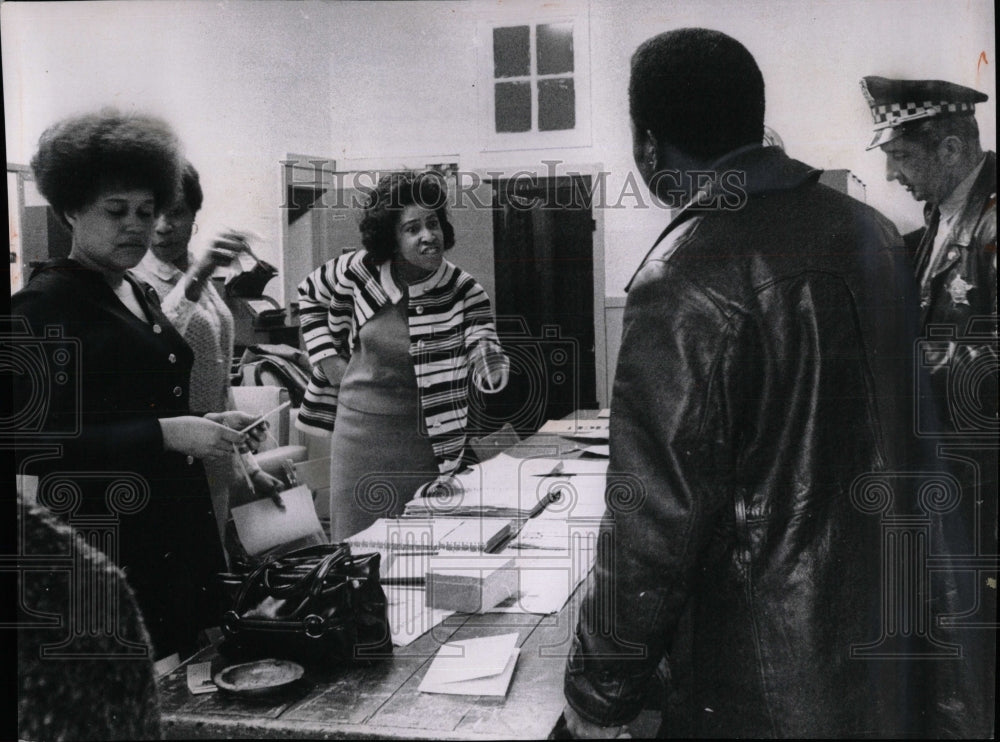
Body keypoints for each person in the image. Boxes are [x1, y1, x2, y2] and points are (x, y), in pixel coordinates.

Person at [562, 29, 972, 738]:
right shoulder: (870, 233)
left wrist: (601, 694)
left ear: (650, 147)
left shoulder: (684, 275)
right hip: (898, 651)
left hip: (766, 683)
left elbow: (654, 524)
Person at [11, 109, 266, 660]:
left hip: (173, 530)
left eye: (147, 211)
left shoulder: (138, 292)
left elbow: (144, 400)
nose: (136, 225)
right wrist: (167, 434)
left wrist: (207, 425)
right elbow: (28, 445)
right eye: (116, 210)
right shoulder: (45, 304)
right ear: (70, 209)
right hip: (107, 543)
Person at [861, 75, 997, 737]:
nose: (890, 175)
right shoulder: (942, 222)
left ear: (949, 148)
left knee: (978, 670)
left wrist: (900, 368)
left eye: (900, 157)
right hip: (953, 485)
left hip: (986, 492)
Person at [296, 171, 509, 540]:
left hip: (424, 442)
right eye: (412, 229)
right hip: (357, 441)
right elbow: (309, 294)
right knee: (356, 551)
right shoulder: (359, 270)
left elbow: (482, 341)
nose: (428, 235)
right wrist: (326, 357)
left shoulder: (464, 290)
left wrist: (487, 362)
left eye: (433, 223)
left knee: (419, 549)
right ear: (392, 240)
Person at [131, 160, 283, 540]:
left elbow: (220, 388)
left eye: (176, 213)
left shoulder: (196, 275)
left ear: (195, 213)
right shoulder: (137, 279)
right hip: (174, 452)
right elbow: (155, 342)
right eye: (154, 213)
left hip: (214, 456)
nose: (164, 226)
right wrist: (199, 273)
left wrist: (250, 467)